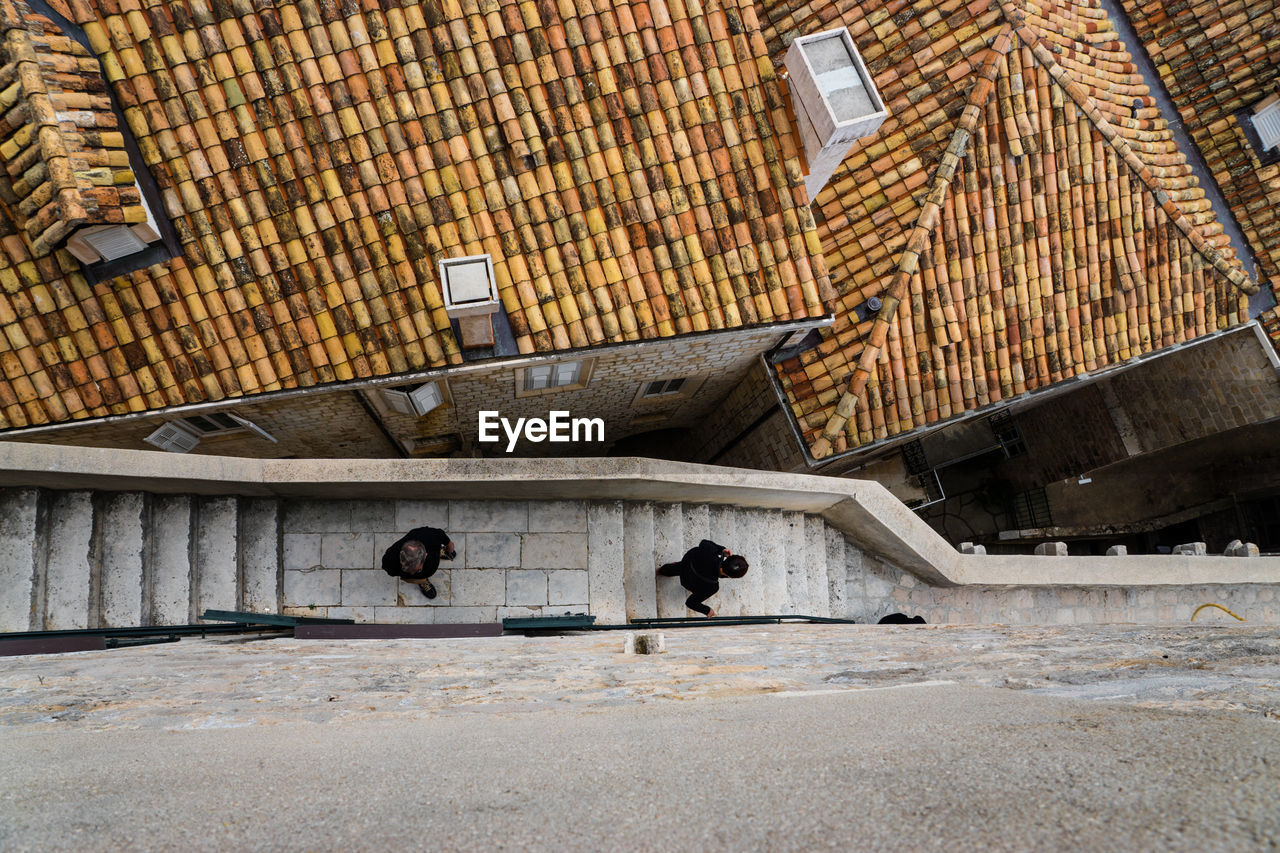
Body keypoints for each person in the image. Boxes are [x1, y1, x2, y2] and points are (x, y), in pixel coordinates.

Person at [656, 539, 749, 617]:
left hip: (687, 561)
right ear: (729, 576)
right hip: (686, 580)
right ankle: (664, 571)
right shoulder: (712, 587)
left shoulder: (710, 551)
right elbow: (691, 603)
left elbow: (704, 542)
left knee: (677, 568)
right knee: (690, 575)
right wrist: (707, 610)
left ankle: (661, 571)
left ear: (728, 558)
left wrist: (722, 550)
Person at [381, 526, 456, 599]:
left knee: (434, 548)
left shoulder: (428, 535)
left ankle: (438, 551)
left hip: (431, 549)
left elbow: (440, 534)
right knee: (417, 577)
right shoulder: (390, 559)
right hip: (423, 567)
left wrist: (449, 545)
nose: (412, 573)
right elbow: (391, 571)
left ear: (425, 555)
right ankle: (422, 581)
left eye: (417, 569)